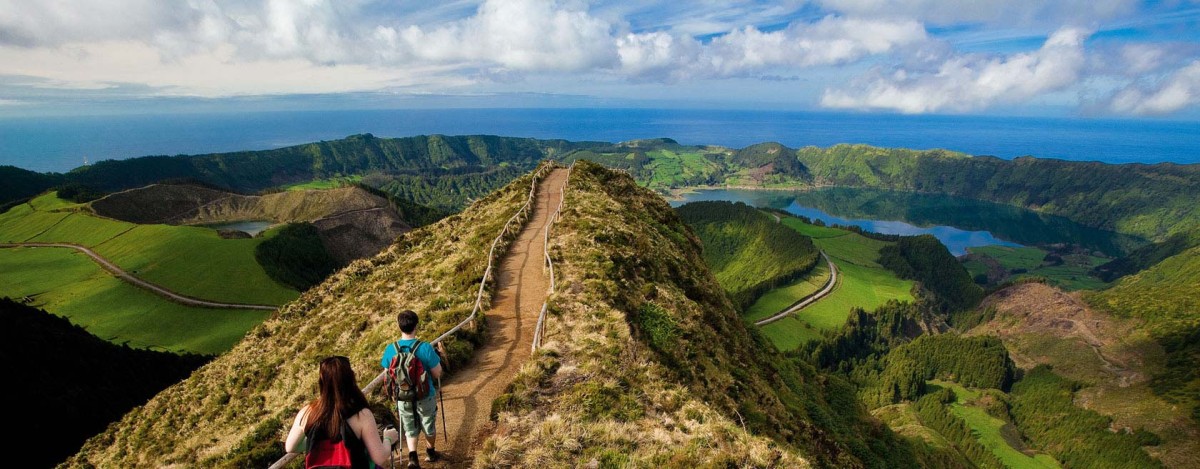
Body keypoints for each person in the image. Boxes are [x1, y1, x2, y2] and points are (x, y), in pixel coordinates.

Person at [285, 356, 399, 468]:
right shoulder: (361, 415)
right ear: (350, 379)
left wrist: (318, 444)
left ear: (321, 381)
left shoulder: (307, 412)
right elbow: (379, 457)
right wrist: (388, 438)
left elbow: (290, 447)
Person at [381, 310, 444, 468]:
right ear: (417, 325)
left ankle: (413, 457)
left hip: (402, 396)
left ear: (398, 326)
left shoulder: (391, 349)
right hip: (425, 395)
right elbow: (437, 373)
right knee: (428, 424)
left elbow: (387, 375)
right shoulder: (425, 348)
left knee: (409, 427)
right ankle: (430, 452)